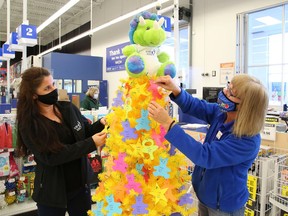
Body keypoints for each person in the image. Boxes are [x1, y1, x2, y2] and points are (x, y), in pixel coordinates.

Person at [148, 74, 268, 216]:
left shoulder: (247, 140)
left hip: (224, 205)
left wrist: (169, 124)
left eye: (231, 93)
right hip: (205, 195)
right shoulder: (221, 113)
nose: (224, 92)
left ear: (245, 106)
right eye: (228, 86)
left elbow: (204, 155)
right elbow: (196, 106)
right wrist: (175, 89)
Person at [16, 67, 107, 216]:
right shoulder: (30, 124)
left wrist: (101, 123)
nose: (54, 90)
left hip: (80, 187)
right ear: (33, 95)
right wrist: (91, 143)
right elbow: (51, 157)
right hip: (52, 192)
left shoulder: (68, 108)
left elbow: (84, 131)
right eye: (47, 88)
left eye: (53, 84)